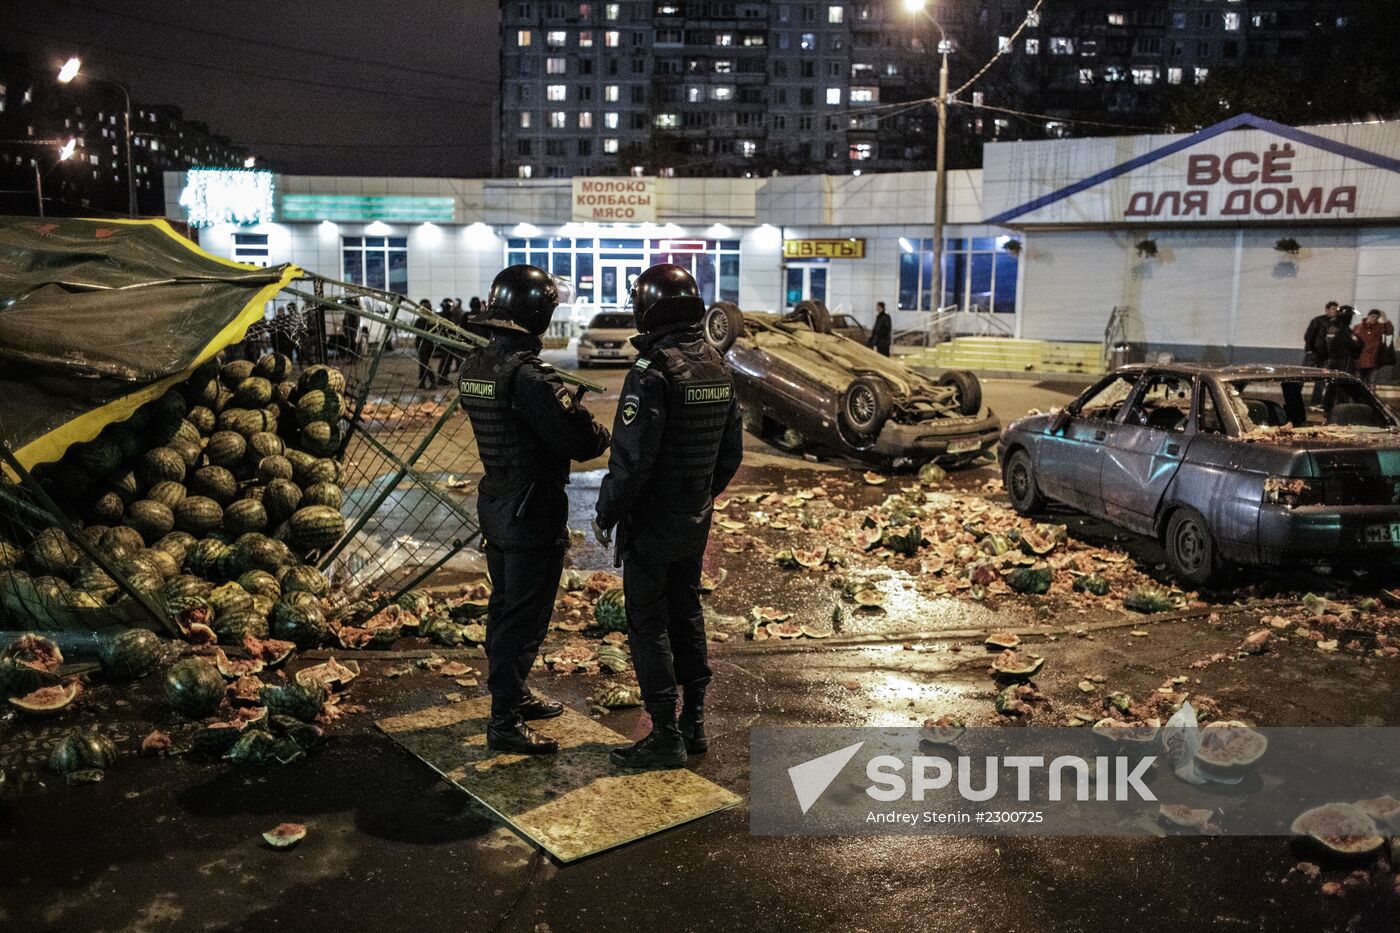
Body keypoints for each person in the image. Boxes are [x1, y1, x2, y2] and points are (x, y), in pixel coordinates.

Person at [593, 264, 744, 770]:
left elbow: (631, 461)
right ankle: (694, 723)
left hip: (653, 522)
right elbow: (730, 454)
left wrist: (606, 512)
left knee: (648, 621)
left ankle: (663, 733)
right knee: (688, 612)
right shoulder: (717, 367)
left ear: (649, 309)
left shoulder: (651, 372)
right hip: (694, 518)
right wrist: (698, 495)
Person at [458, 265, 610, 754]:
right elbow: (581, 442)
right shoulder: (529, 376)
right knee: (523, 615)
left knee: (505, 605)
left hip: (498, 499)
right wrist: (583, 420)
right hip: (531, 508)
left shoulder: (476, 366)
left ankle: (515, 694)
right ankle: (504, 721)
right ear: (538, 314)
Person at [1354, 309, 1395, 389]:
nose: (1374, 319)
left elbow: (1389, 331)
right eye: (1372, 316)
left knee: (1372, 381)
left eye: (1376, 317)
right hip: (1360, 359)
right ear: (1368, 316)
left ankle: (1370, 400)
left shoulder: (1379, 327)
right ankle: (1359, 399)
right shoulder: (1359, 327)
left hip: (1374, 358)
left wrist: (1385, 319)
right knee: (1359, 381)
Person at [415, 298, 438, 389]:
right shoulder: (431, 319)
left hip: (425, 344)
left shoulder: (426, 320)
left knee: (425, 363)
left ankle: (432, 381)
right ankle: (423, 382)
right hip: (425, 343)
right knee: (423, 363)